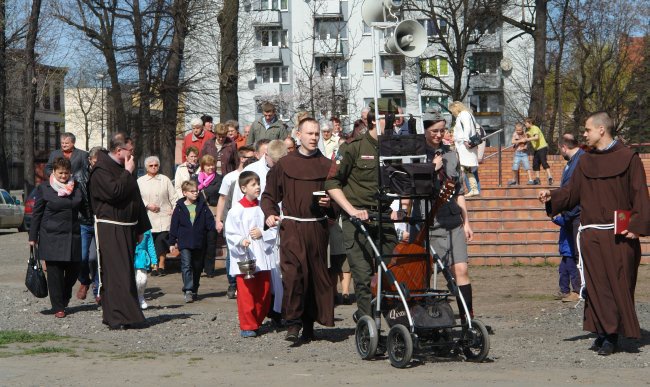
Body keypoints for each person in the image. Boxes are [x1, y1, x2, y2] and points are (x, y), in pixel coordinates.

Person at [538, 111, 649, 356]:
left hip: (618, 236)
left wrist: (637, 225)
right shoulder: (585, 161)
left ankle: (613, 333)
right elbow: (571, 192)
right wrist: (552, 196)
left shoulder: (629, 158)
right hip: (590, 235)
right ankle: (603, 332)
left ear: (601, 130)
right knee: (596, 286)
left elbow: (640, 193)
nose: (584, 135)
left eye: (587, 130)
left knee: (617, 284)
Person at [262, 118, 336, 342]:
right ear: (299, 135)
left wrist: (328, 204)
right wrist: (270, 213)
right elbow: (269, 195)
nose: (314, 137)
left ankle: (309, 324)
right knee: (293, 276)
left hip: (317, 228)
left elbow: (337, 197)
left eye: (316, 134)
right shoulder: (285, 164)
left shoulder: (326, 165)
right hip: (292, 227)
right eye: (309, 133)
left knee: (314, 277)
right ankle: (292, 323)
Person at [325, 105, 401, 321]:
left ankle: (396, 322)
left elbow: (402, 182)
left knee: (394, 270)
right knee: (362, 274)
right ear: (375, 120)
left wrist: (400, 209)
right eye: (390, 117)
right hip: (357, 220)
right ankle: (369, 326)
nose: (395, 122)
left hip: (384, 217)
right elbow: (331, 182)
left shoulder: (394, 148)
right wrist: (352, 211)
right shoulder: (353, 147)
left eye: (396, 118)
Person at [89, 132, 151, 330]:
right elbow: (114, 193)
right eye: (130, 150)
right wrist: (127, 172)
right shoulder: (101, 170)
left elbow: (135, 198)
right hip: (110, 227)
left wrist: (141, 226)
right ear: (118, 150)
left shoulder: (125, 167)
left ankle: (124, 316)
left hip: (127, 228)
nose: (133, 154)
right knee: (117, 273)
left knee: (125, 272)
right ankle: (119, 317)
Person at [421, 112, 477, 322]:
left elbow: (459, 191)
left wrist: (466, 222)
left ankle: (467, 318)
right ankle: (424, 316)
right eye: (434, 130)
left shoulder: (452, 155)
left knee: (461, 269)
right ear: (425, 130)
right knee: (425, 273)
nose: (438, 134)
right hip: (428, 222)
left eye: (442, 130)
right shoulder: (416, 155)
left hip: (452, 220)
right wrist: (431, 168)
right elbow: (410, 190)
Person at [29, 157, 84, 318]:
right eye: (60, 173)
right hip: (51, 235)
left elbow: (85, 208)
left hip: (72, 235)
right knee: (55, 273)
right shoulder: (44, 188)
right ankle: (58, 306)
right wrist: (33, 237)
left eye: (66, 173)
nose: (63, 176)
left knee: (75, 269)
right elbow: (37, 214)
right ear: (53, 172)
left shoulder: (77, 187)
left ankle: (65, 295)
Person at [227, 171, 279, 338]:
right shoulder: (236, 210)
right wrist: (241, 241)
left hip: (263, 256)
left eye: (258, 183)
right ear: (243, 188)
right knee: (247, 293)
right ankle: (248, 325)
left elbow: (275, 227)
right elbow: (230, 233)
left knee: (264, 292)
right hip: (245, 257)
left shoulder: (264, 208)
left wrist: (263, 234)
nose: (257, 187)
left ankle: (257, 320)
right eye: (253, 184)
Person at [215, 146, 256, 299]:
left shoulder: (256, 178)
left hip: (251, 220)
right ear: (241, 158)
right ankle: (233, 283)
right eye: (247, 157)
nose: (250, 160)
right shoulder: (231, 178)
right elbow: (224, 199)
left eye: (252, 157)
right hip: (234, 220)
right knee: (232, 253)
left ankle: (248, 281)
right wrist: (219, 219)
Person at [169, 180, 216, 303]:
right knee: (186, 265)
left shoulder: (202, 206)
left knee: (197, 267)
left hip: (199, 241)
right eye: (192, 191)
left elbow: (210, 222)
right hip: (184, 242)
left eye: (197, 191)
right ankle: (188, 290)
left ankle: (194, 288)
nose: (196, 193)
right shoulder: (179, 208)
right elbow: (174, 225)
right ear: (185, 193)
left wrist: (215, 227)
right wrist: (171, 242)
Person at [551, 134, 584, 303]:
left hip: (578, 214)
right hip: (571, 214)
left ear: (564, 147)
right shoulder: (572, 163)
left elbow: (574, 190)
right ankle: (576, 289)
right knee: (573, 255)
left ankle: (580, 290)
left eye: (559, 149)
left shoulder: (580, 161)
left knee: (579, 255)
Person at [137, 156, 176, 277]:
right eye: (151, 165)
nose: (154, 167)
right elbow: (137, 197)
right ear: (146, 167)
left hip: (164, 216)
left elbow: (173, 197)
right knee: (151, 242)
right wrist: (147, 205)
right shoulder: (140, 181)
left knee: (162, 240)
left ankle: (162, 264)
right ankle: (153, 264)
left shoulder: (165, 180)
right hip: (148, 216)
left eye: (156, 165)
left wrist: (175, 209)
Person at [75, 146, 101, 302]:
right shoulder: (79, 176)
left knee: (96, 258)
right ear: (90, 160)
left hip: (100, 221)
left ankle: (98, 288)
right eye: (95, 160)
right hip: (84, 222)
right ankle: (84, 280)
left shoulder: (106, 175)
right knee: (82, 257)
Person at [197, 154, 222, 277]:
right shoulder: (196, 178)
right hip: (199, 214)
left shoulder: (219, 178)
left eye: (212, 165)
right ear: (202, 166)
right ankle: (199, 267)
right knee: (200, 242)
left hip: (213, 212)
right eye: (207, 165)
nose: (210, 167)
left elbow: (217, 193)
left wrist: (202, 191)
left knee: (211, 242)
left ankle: (210, 269)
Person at [450, 101, 480, 197]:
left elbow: (467, 127)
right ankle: (473, 189)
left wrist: (466, 139)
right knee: (466, 169)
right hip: (464, 146)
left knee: (462, 168)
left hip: (464, 146)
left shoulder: (463, 114)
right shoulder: (467, 114)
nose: (452, 113)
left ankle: (458, 190)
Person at [525, 117, 553, 185]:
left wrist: (527, 139)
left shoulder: (535, 128)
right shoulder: (529, 131)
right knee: (535, 163)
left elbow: (536, 137)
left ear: (530, 123)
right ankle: (537, 179)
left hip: (542, 147)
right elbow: (526, 137)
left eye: (526, 123)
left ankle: (550, 177)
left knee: (543, 162)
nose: (525, 124)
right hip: (537, 149)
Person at [134, 229, 158, 309]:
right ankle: (133, 299)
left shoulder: (147, 231)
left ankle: (140, 296)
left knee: (142, 280)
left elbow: (150, 245)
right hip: (129, 255)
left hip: (141, 257)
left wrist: (154, 260)